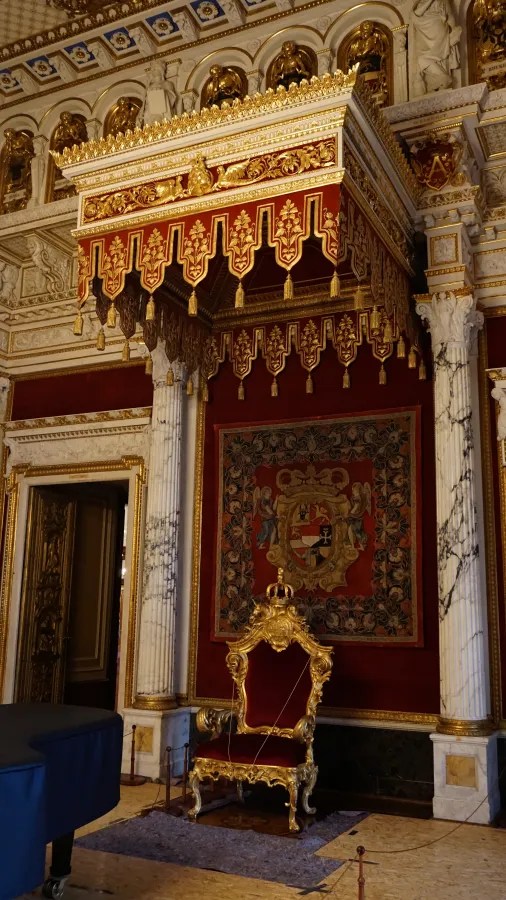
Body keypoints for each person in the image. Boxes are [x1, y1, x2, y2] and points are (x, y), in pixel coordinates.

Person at [412, 0, 461, 93]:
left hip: (438, 30)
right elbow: (416, 14)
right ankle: (443, 79)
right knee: (421, 60)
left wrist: (454, 29)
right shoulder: (421, 2)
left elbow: (450, 16)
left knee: (426, 59)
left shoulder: (443, 1)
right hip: (424, 32)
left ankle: (444, 79)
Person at [2, 128, 33, 194]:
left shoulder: (22, 139)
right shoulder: (9, 143)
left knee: (20, 167)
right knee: (9, 169)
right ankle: (14, 184)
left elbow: (27, 151)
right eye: (7, 137)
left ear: (12, 134)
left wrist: (19, 153)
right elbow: (9, 153)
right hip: (15, 162)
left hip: (23, 158)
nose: (9, 138)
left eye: (9, 136)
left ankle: (21, 183)